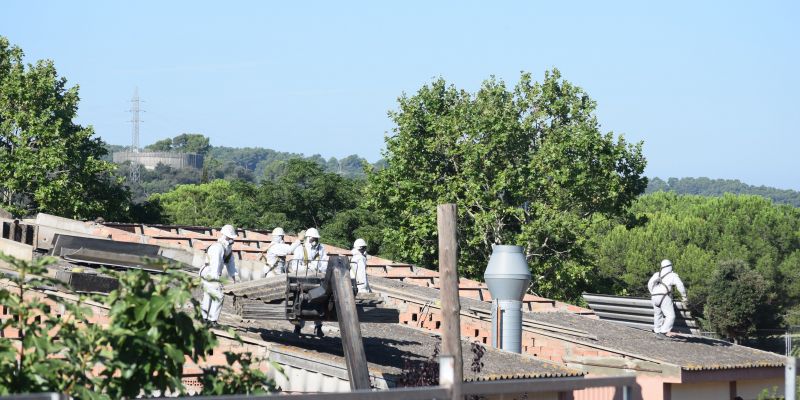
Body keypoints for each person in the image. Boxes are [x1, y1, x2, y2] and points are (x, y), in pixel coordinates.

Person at [200, 224, 239, 327]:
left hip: (213, 273)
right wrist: (216, 281)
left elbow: (231, 265)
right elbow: (215, 265)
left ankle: (205, 319)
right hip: (209, 273)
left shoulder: (228, 248)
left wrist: (235, 278)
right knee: (218, 295)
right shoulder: (218, 247)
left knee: (209, 295)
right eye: (230, 237)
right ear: (226, 236)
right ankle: (211, 320)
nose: (232, 240)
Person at [290, 227, 327, 336]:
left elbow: (324, 263)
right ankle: (297, 327)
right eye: (313, 238)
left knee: (320, 302)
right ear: (309, 238)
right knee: (300, 303)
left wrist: (319, 269)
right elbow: (294, 266)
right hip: (303, 279)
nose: (315, 240)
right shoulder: (301, 248)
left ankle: (319, 327)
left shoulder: (321, 248)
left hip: (318, 278)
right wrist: (307, 268)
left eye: (316, 238)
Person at [648, 259, 687, 339]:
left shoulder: (657, 274)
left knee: (657, 314)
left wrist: (652, 293)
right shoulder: (672, 275)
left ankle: (657, 331)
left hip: (654, 296)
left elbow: (649, 284)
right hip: (664, 296)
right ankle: (663, 331)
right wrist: (684, 296)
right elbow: (680, 285)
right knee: (671, 316)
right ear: (670, 266)